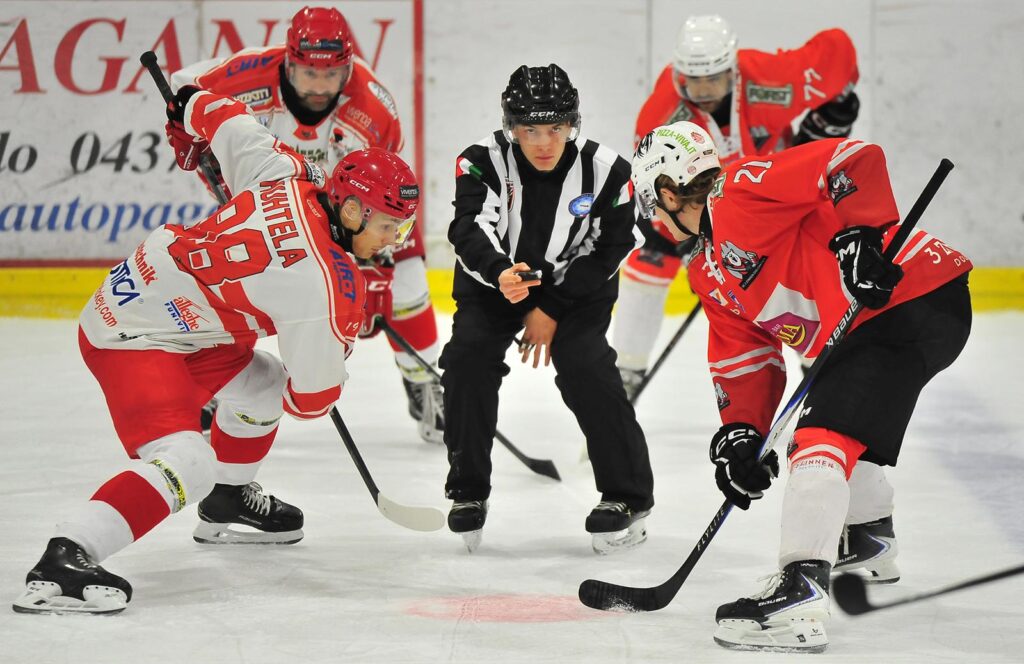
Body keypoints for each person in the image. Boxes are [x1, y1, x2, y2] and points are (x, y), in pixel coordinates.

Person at [12, 85, 419, 614]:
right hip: (135, 336)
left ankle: (226, 499)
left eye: (402, 228)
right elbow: (312, 402)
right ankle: (66, 557)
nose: (393, 241)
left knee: (263, 385)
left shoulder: (285, 172)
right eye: (388, 226)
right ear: (351, 210)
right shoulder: (327, 283)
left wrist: (184, 111)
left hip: (162, 305)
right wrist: (333, 347)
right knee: (188, 460)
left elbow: (215, 109)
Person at [630, 121, 972, 651]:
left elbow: (852, 158)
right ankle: (867, 535)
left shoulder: (740, 188)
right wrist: (744, 434)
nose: (656, 220)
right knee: (836, 425)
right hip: (884, 325)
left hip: (908, 298)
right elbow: (744, 357)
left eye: (654, 206)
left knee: (818, 440)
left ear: (670, 194)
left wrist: (861, 235)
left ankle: (800, 594)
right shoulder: (707, 272)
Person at [171, 5, 444, 446]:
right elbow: (182, 88)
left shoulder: (374, 108)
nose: (320, 87)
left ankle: (424, 381)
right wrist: (189, 132)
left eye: (331, 75)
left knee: (408, 278)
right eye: (309, 73)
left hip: (341, 211)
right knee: (226, 277)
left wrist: (376, 269)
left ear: (348, 68)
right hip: (264, 205)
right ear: (288, 61)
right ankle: (218, 383)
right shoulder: (245, 75)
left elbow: (385, 203)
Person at [442, 64, 655, 554]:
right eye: (530, 130)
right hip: (495, 281)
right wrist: (501, 272)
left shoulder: (609, 171)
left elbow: (614, 244)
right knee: (468, 358)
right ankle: (468, 490)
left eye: (556, 128)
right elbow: (469, 227)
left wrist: (553, 306)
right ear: (511, 128)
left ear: (573, 124)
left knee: (585, 365)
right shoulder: (479, 162)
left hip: (574, 288)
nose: (543, 142)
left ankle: (628, 496)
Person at [613, 15, 860, 399]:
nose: (702, 90)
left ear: (733, 69)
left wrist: (832, 113)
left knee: (797, 266)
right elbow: (654, 186)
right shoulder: (659, 117)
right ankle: (627, 369)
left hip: (767, 200)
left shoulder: (768, 78)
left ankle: (819, 356)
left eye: (712, 78)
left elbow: (837, 51)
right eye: (692, 80)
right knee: (649, 260)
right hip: (690, 209)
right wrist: (694, 245)